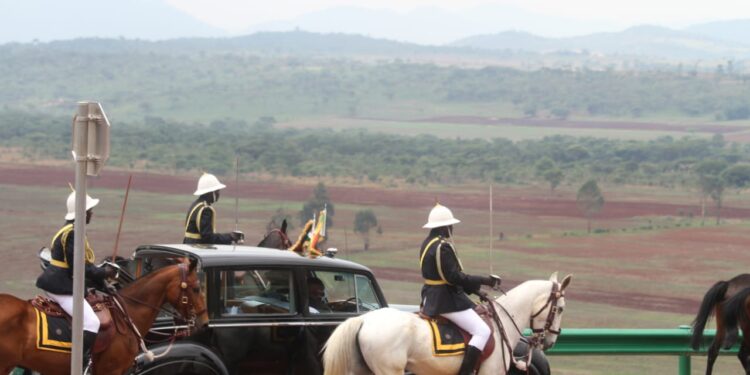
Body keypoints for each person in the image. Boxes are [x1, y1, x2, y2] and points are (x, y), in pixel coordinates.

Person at [35, 191, 117, 368]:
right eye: (89, 210)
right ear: (81, 212)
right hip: (60, 285)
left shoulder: (70, 230)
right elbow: (79, 268)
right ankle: (79, 364)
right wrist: (105, 273)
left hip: (60, 280)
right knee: (91, 322)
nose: (91, 214)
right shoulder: (72, 233)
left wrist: (104, 284)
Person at [419, 203, 500, 375]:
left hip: (430, 296)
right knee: (482, 331)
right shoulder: (443, 247)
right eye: (451, 226)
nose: (452, 229)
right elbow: (453, 277)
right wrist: (485, 280)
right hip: (445, 301)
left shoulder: (426, 244)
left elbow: (445, 278)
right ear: (445, 227)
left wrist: (476, 291)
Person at [183, 173, 244, 245]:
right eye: (217, 191)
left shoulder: (196, 205)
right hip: (198, 250)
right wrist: (230, 237)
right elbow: (208, 238)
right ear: (211, 193)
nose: (219, 194)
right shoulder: (206, 210)